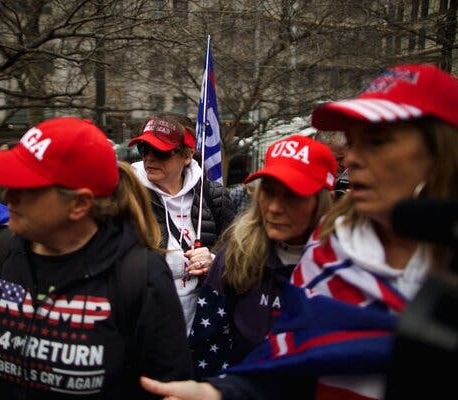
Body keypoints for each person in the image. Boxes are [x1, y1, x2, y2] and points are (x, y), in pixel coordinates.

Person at [140, 63, 458, 400]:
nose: (352, 159)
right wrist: (221, 392)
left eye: (377, 142)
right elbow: (290, 367)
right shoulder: (328, 253)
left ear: (443, 153)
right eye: (352, 143)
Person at [0, 117, 193, 399]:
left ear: (79, 204)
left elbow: (171, 388)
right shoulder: (0, 252)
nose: (7, 195)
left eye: (28, 187)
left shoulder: (140, 275)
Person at [189, 134, 336, 378]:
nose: (275, 208)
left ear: (324, 201)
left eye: (292, 195)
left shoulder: (344, 263)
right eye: (268, 192)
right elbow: (208, 342)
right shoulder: (237, 252)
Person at [128, 112, 236, 333]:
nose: (149, 158)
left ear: (187, 156)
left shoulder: (213, 196)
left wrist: (214, 261)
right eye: (144, 149)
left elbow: (239, 255)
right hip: (147, 328)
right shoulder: (127, 195)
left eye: (160, 151)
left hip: (204, 327)